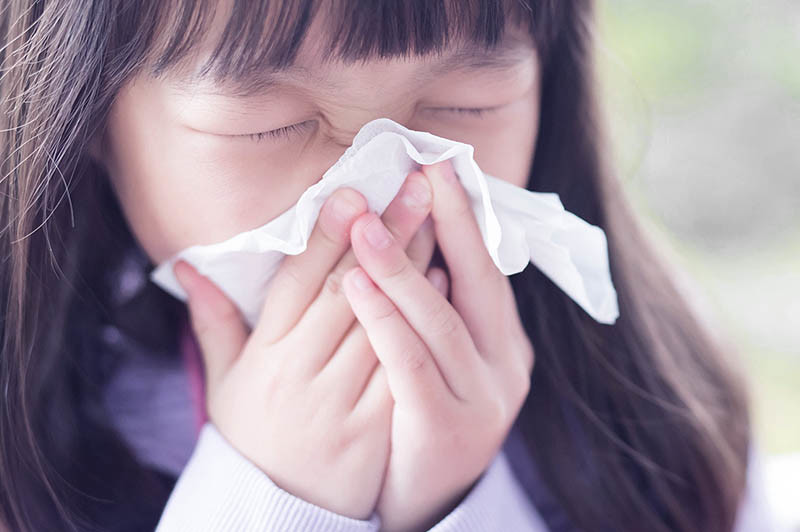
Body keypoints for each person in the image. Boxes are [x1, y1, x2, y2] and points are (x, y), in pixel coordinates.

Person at [0, 0, 774, 531]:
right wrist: (273, 499)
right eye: (273, 125)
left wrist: (452, 503)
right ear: (84, 118)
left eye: (465, 106)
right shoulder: (22, 459)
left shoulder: (651, 405)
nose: (375, 198)